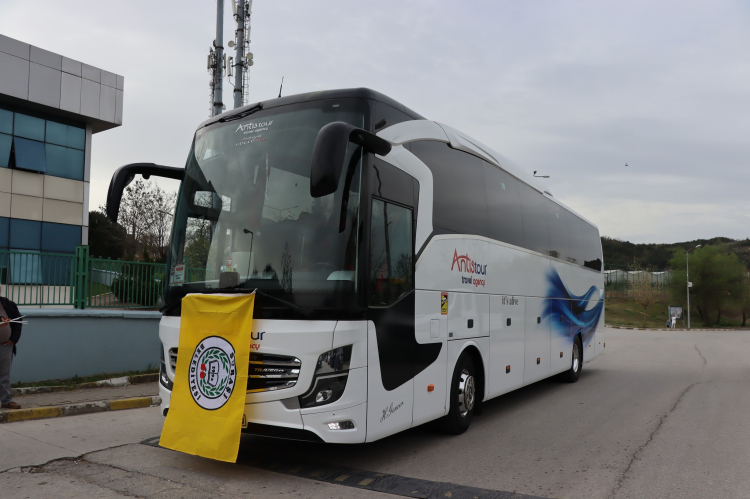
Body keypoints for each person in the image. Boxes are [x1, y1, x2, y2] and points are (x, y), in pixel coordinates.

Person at [0, 295, 23, 410]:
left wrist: (13, 339)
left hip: (5, 345)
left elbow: (18, 321)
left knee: (4, 375)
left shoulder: (8, 304)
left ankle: (6, 401)